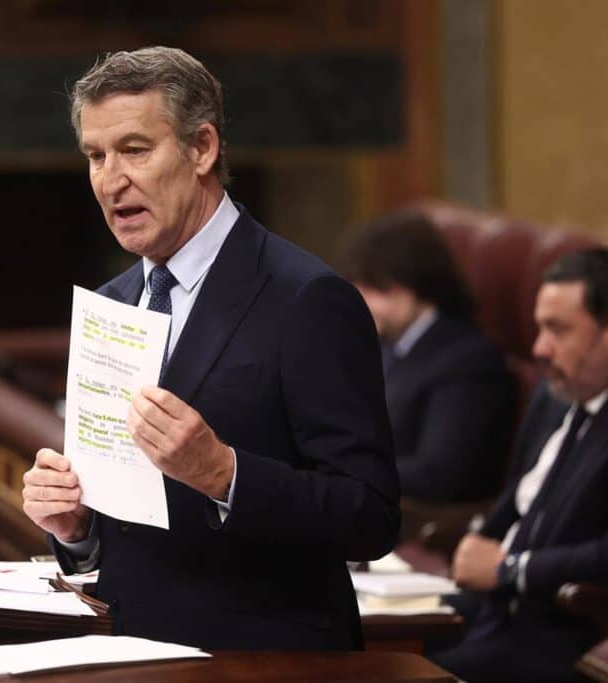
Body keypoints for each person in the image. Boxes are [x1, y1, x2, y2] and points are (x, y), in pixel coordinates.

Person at [20, 46, 399, 650]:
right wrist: (76, 526)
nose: (110, 180)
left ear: (202, 148)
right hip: (125, 649)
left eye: (134, 150)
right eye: (95, 155)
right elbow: (128, 525)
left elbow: (370, 516)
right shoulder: (111, 302)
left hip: (263, 659)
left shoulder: (308, 298)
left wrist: (224, 473)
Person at [430, 248, 608, 682]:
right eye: (539, 328)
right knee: (352, 639)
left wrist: (511, 569)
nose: (539, 348)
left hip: (560, 637)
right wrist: (478, 540)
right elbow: (518, 500)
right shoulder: (556, 396)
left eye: (557, 329)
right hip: (490, 611)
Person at [336, 211, 515, 502]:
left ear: (416, 283)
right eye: (357, 285)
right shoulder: (383, 345)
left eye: (376, 288)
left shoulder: (467, 360)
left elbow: (439, 474)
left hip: (417, 514)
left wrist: (339, 469)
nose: (361, 300)